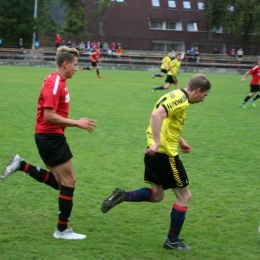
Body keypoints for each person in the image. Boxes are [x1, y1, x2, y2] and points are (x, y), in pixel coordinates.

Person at [101, 73, 211, 251]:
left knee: (157, 195)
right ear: (198, 90)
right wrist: (159, 143)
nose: (203, 100)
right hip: (165, 155)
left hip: (153, 153)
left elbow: (168, 122)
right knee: (184, 197)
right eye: (204, 96)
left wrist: (181, 142)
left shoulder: (174, 95)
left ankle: (124, 195)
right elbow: (156, 116)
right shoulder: (181, 100)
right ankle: (172, 241)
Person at [0, 46, 97, 240]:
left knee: (61, 183)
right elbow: (49, 115)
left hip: (50, 136)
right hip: (50, 136)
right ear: (66, 63)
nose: (76, 69)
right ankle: (62, 231)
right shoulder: (54, 83)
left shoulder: (59, 81)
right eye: (75, 65)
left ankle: (22, 165)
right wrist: (77, 123)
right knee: (69, 181)